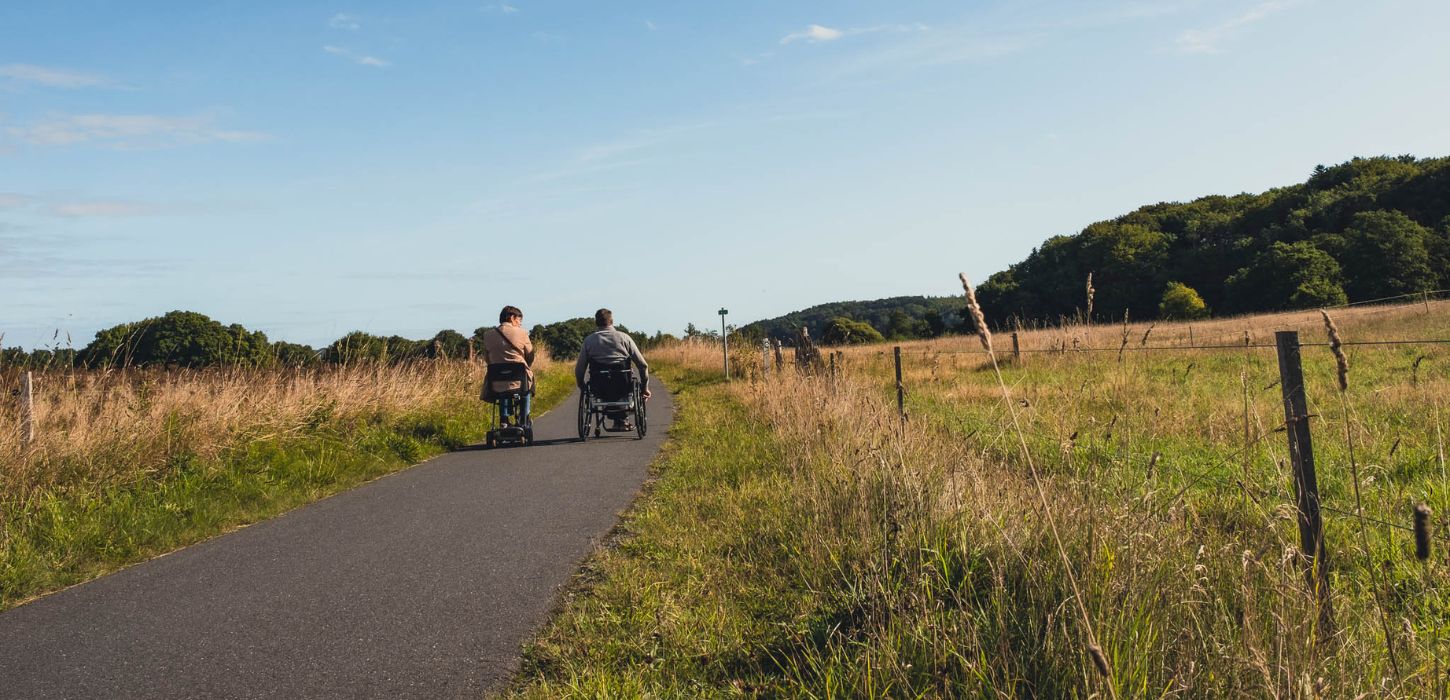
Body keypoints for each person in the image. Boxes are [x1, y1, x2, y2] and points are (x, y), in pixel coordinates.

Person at [575, 308, 650, 430]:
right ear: (612, 321)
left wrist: (582, 386)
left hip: (599, 386)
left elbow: (579, 369)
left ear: (596, 322)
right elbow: (643, 365)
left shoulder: (589, 341)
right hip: (623, 385)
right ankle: (622, 419)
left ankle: (618, 420)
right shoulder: (624, 338)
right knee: (628, 388)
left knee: (604, 388)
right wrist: (644, 388)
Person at [481, 305, 536, 426]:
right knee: (526, 388)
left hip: (495, 380)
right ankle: (523, 417)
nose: (519, 324)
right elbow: (530, 355)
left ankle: (504, 419)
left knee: (503, 389)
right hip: (519, 379)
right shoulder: (522, 333)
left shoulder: (487, 335)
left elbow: (487, 358)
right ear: (512, 317)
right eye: (518, 320)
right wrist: (527, 365)